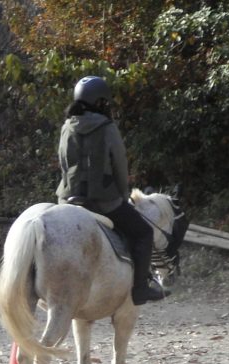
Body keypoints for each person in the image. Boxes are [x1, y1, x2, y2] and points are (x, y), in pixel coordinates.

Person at [55, 76, 167, 305]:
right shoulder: (107, 128)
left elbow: (63, 164)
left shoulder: (67, 127)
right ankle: (140, 289)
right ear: (100, 102)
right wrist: (123, 196)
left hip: (67, 200)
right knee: (143, 233)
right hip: (102, 201)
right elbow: (119, 165)